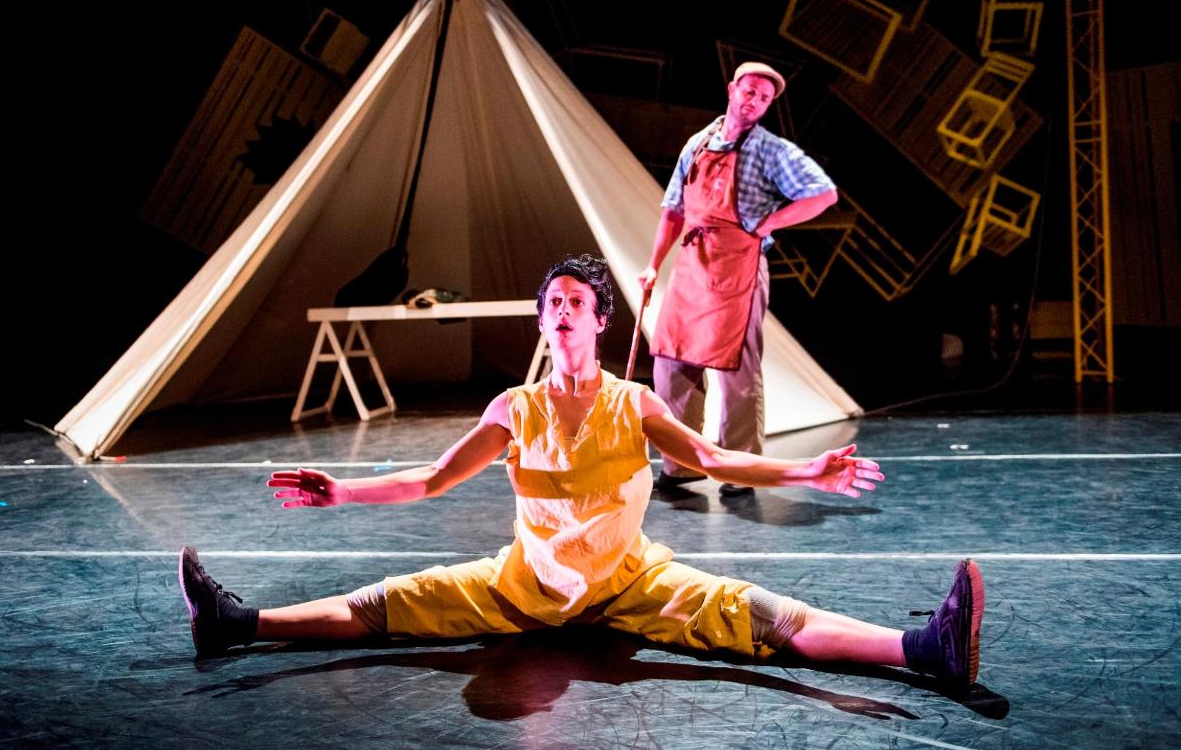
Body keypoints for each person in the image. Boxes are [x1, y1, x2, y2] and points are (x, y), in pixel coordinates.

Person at [179, 255, 984, 693]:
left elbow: (709, 458)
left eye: (575, 302)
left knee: (767, 616)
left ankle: (924, 648)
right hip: (522, 584)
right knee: (388, 605)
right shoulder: (515, 408)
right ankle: (235, 623)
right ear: (542, 322)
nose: (561, 311)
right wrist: (345, 490)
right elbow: (432, 480)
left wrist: (808, 471)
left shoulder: (633, 404)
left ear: (599, 322)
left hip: (631, 582)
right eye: (552, 303)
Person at [639, 62, 839, 496]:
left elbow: (824, 194)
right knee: (672, 365)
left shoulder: (770, 149)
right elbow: (673, 209)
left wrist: (769, 223)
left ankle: (741, 469)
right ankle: (682, 465)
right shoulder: (698, 143)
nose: (754, 102)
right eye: (749, 92)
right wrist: (654, 264)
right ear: (732, 90)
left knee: (737, 372)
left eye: (764, 99)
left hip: (739, 269)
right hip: (694, 266)